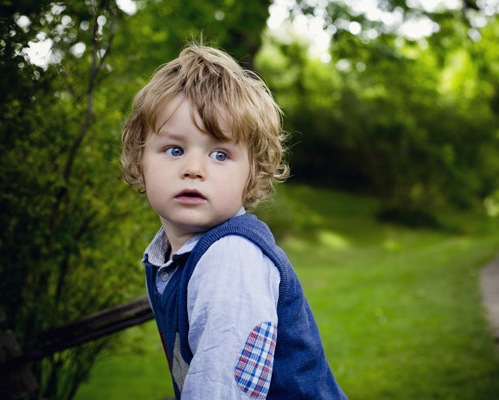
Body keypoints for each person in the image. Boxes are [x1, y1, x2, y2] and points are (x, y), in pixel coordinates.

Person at [121, 43, 347, 399]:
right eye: (175, 150)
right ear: (140, 160)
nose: (193, 169)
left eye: (220, 154)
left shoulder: (230, 259)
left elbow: (219, 389)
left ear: (253, 173)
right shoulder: (169, 255)